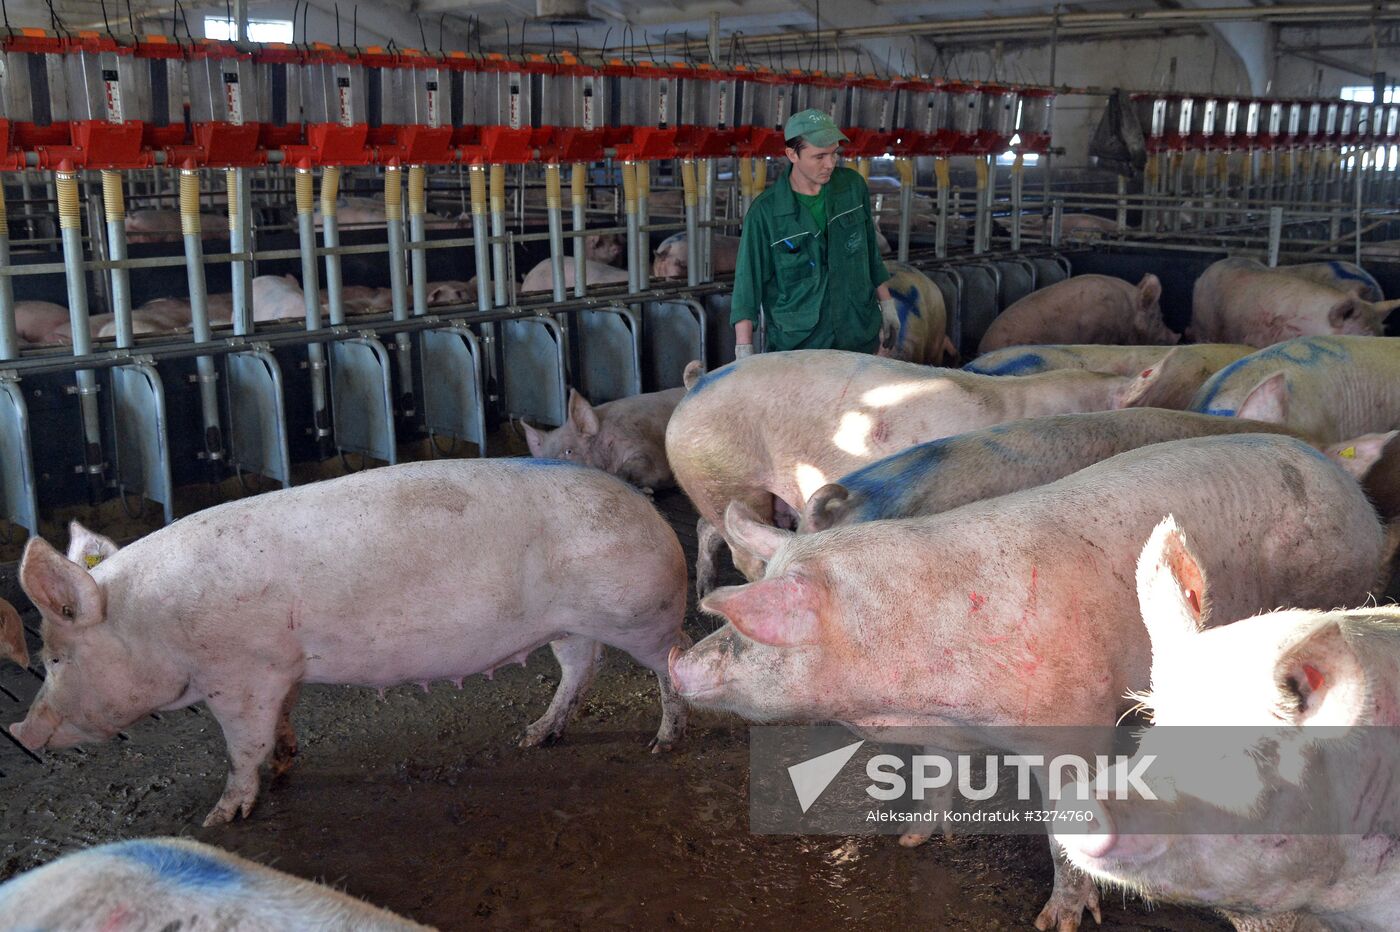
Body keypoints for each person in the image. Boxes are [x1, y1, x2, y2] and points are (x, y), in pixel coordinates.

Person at [729, 108, 895, 358]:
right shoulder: (765, 213)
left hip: (857, 335)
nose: (830, 164)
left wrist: (888, 304)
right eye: (819, 156)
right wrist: (744, 348)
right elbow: (747, 285)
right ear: (791, 154)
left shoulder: (852, 188)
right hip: (800, 348)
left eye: (834, 154)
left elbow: (869, 251)